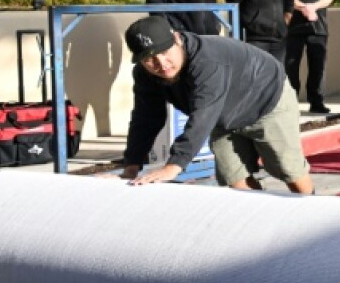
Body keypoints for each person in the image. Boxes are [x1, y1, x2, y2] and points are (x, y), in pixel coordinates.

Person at [119, 15, 313, 194]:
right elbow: (146, 118)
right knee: (234, 179)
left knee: (289, 169)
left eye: (165, 51)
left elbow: (203, 114)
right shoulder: (145, 75)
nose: (161, 63)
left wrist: (174, 165)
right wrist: (132, 165)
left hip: (265, 100)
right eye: (149, 59)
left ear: (177, 39)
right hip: (223, 115)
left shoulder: (208, 60)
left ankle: (311, 209)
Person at [281, 0, 334, 114]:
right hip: (294, 28)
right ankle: (291, 102)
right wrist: (304, 7)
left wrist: (313, 7)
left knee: (317, 67)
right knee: (291, 66)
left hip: (317, 28)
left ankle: (316, 101)